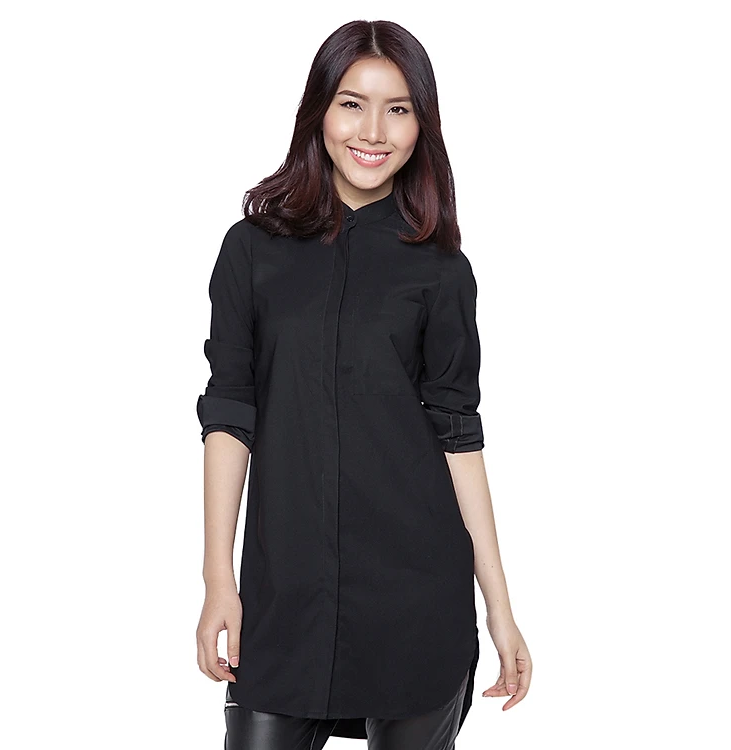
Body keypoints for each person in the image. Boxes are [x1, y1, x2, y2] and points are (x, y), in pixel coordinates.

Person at [195, 19, 532, 750]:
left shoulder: (441, 269)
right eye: (352, 104)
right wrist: (219, 579)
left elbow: (458, 437)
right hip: (284, 600)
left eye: (398, 108)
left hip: (417, 599)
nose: (373, 131)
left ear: (421, 124)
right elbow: (228, 412)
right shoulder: (251, 250)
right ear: (319, 110)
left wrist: (500, 608)